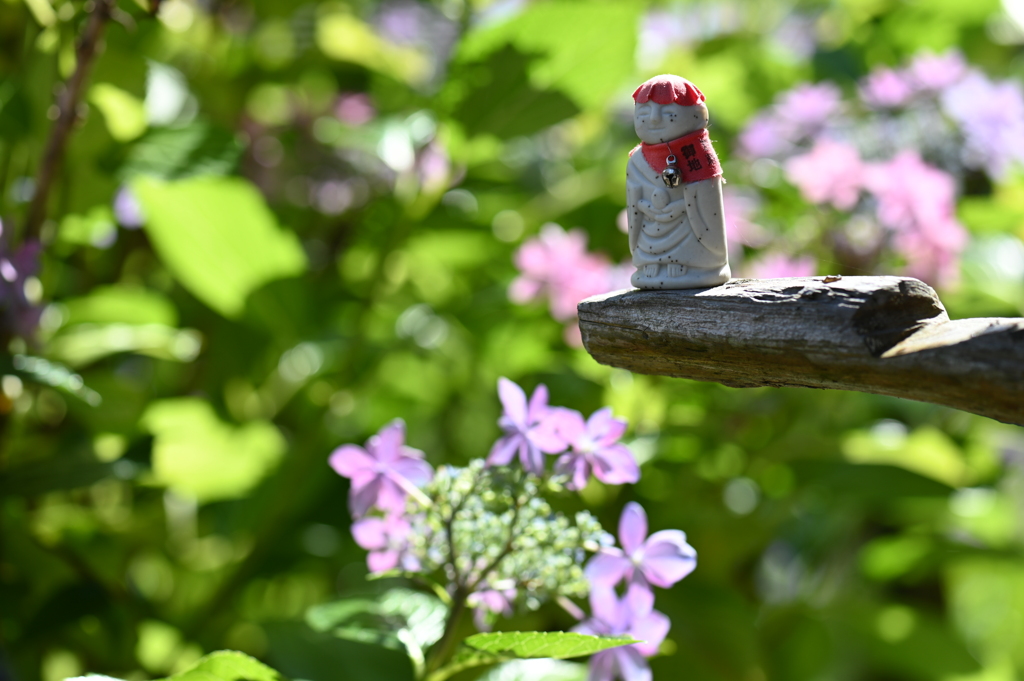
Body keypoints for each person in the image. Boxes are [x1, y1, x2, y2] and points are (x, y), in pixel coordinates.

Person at [627, 74, 731, 289]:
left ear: (697, 115)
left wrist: (683, 203)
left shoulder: (699, 155)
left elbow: (706, 205)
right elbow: (633, 204)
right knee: (649, 236)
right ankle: (651, 265)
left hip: (687, 227)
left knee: (687, 230)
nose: (654, 119)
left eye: (668, 113)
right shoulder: (637, 160)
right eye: (644, 112)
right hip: (651, 228)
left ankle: (690, 263)